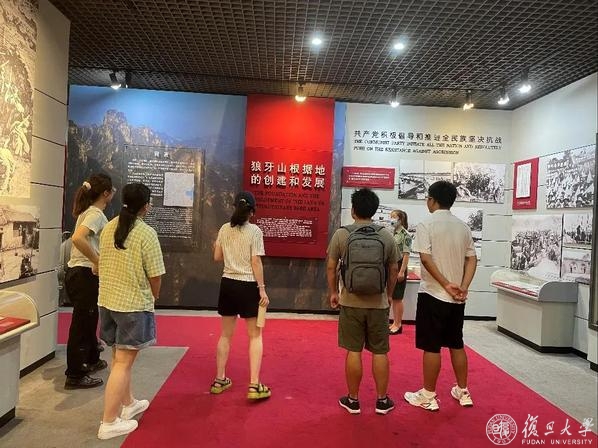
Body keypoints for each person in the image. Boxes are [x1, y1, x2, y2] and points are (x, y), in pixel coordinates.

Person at [97, 183, 165, 440]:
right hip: (133, 306)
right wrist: (154, 295)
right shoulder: (146, 233)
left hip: (108, 302)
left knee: (118, 358)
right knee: (123, 364)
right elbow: (155, 275)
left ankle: (128, 404)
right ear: (146, 206)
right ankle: (108, 422)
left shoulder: (109, 227)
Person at [404, 180, 477, 411]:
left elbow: (425, 259)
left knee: (432, 346)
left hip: (433, 293)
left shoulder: (426, 224)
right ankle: (463, 391)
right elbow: (472, 259)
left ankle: (428, 395)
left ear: (432, 200)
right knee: (456, 343)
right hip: (456, 298)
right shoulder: (463, 227)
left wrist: (445, 284)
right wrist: (463, 286)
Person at [327, 188, 399, 415]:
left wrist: (334, 292)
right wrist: (389, 294)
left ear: (353, 210)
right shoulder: (386, 236)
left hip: (350, 302)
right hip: (378, 304)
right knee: (380, 352)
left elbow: (331, 266)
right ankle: (382, 401)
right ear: (374, 210)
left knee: (353, 350)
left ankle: (353, 400)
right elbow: (394, 269)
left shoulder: (342, 235)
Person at [211, 191, 271, 400]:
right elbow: (256, 262)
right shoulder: (255, 231)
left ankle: (219, 379)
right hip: (248, 286)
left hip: (228, 284)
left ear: (234, 207)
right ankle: (254, 385)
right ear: (252, 211)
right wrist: (262, 289)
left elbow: (217, 256)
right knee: (255, 335)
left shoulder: (223, 229)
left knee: (225, 335)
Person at [64, 174, 115, 390]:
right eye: (112, 190)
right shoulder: (94, 214)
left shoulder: (89, 212)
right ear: (105, 193)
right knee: (82, 324)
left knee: (89, 319)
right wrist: (97, 260)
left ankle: (91, 359)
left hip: (81, 274)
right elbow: (77, 238)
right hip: (84, 274)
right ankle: (75, 374)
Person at [389, 209, 412, 335]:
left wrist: (402, 271)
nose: (391, 219)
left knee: (398, 297)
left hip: (399, 266)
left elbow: (406, 254)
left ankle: (398, 324)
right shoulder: (394, 233)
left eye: (394, 217)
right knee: (393, 297)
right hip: (392, 266)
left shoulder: (405, 234)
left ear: (400, 219)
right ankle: (394, 322)